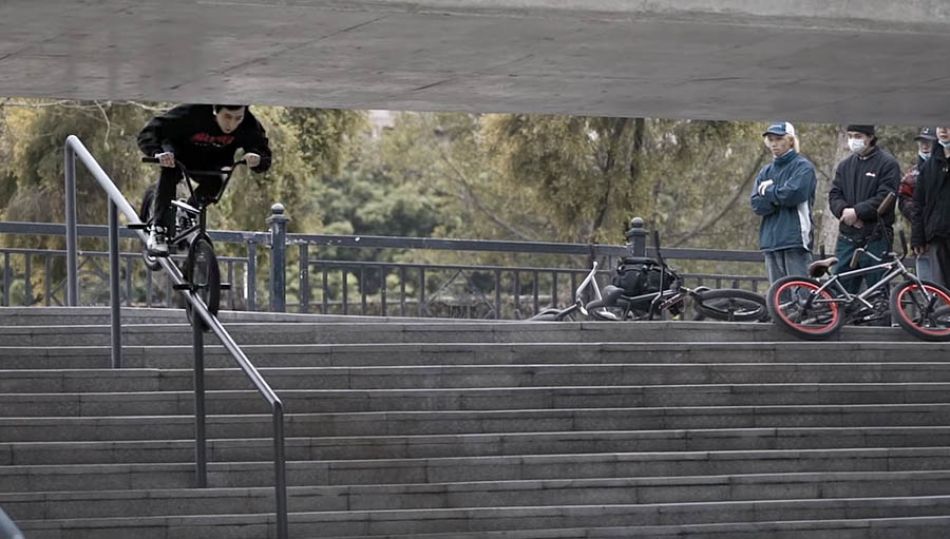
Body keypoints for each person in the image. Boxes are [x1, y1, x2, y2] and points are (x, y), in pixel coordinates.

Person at [137, 104, 272, 255]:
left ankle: (187, 213)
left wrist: (257, 159)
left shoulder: (248, 123)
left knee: (215, 183)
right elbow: (150, 130)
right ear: (216, 111)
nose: (232, 124)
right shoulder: (192, 112)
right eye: (227, 117)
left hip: (211, 162)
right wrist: (156, 152)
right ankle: (159, 230)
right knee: (171, 172)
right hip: (179, 154)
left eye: (237, 118)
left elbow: (262, 150)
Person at [828, 124, 901, 294]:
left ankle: (879, 321)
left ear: (870, 138)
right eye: (851, 135)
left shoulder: (887, 164)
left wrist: (858, 212)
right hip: (848, 237)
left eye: (858, 136)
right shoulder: (845, 165)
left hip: (875, 237)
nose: (854, 140)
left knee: (877, 291)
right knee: (840, 291)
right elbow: (834, 194)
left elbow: (886, 196)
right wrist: (845, 212)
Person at [750, 121, 817, 283]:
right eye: (771, 139)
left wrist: (768, 192)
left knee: (801, 293)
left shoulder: (803, 167)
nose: (774, 144)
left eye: (779, 139)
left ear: (791, 140)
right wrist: (777, 196)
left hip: (794, 239)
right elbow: (756, 204)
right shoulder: (765, 171)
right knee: (778, 298)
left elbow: (793, 195)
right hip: (770, 241)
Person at [910, 125, 950, 287]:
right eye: (940, 125)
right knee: (940, 287)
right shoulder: (929, 166)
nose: (944, 130)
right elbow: (918, 203)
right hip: (937, 235)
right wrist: (917, 237)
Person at [899, 127, 938, 281]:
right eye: (922, 142)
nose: (924, 146)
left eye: (929, 142)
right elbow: (904, 201)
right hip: (921, 236)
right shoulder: (912, 174)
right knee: (926, 283)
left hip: (942, 235)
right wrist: (920, 217)